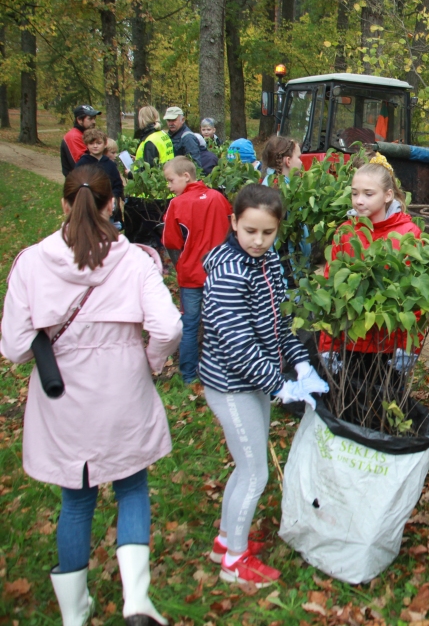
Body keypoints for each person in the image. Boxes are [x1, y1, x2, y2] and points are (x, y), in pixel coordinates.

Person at [1, 166, 181, 626]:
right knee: (132, 486)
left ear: (65, 204)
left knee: (77, 499)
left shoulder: (32, 263)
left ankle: (73, 611)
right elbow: (167, 326)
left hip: (63, 395)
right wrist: (152, 361)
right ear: (112, 205)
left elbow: (14, 346)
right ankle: (137, 599)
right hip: (123, 387)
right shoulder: (136, 260)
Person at [199, 183, 326, 587]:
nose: (258, 240)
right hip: (231, 385)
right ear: (233, 222)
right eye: (250, 230)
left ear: (277, 229)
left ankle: (226, 540)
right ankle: (233, 562)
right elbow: (237, 343)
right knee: (255, 473)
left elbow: (276, 323)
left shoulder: (269, 262)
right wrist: (279, 385)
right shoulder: (229, 273)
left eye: (267, 233)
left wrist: (300, 359)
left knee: (246, 467)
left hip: (257, 380)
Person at [318, 160, 422, 367]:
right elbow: (331, 291)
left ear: (388, 195)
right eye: (355, 193)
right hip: (350, 342)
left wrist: (408, 347)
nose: (359, 200)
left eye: (368, 194)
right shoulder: (345, 232)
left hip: (389, 345)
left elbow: (414, 296)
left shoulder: (408, 233)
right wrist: (327, 345)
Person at [162, 156, 233, 385]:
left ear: (186, 176)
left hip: (191, 275)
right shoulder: (218, 198)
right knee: (221, 325)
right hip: (220, 275)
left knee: (190, 326)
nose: (170, 187)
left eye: (171, 181)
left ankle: (189, 376)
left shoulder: (177, 204)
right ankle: (223, 373)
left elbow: (171, 242)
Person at [75, 128, 125, 227]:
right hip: (88, 206)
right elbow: (75, 183)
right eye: (91, 143)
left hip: (107, 206)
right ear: (86, 145)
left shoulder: (110, 164)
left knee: (107, 234)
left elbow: (118, 185)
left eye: (98, 143)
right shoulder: (82, 163)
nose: (95, 146)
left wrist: (114, 197)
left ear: (105, 144)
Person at [60, 105, 101, 177]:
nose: (94, 122)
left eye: (94, 118)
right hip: (79, 182)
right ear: (79, 120)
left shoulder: (84, 135)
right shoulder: (74, 137)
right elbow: (84, 165)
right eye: (90, 119)